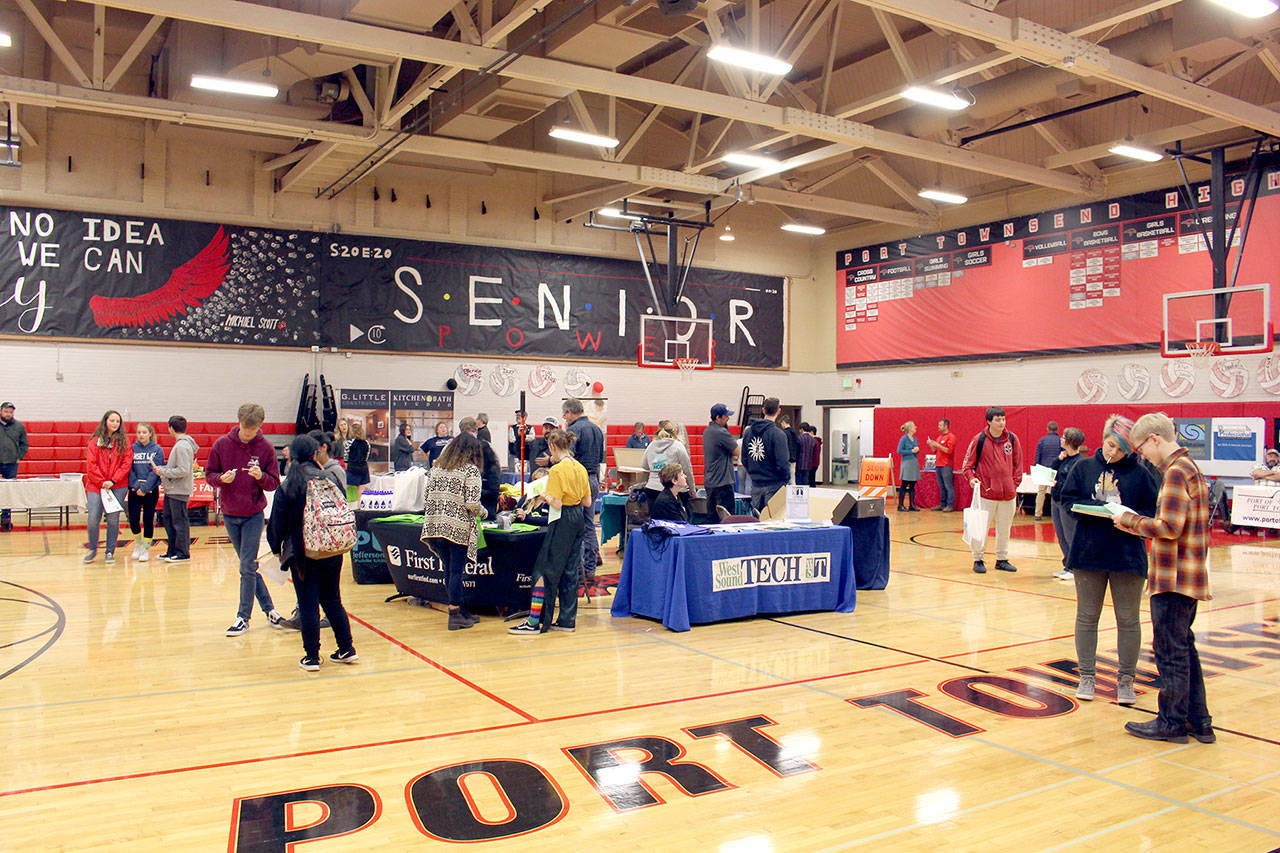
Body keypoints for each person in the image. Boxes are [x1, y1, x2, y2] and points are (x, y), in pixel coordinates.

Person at [1115, 412, 1214, 744]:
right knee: (1185, 649)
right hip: (1190, 575)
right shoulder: (1191, 468)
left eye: (1142, 448)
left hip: (1173, 577)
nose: (1142, 455)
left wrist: (1130, 520)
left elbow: (1169, 528)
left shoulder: (1174, 474)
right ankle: (1199, 721)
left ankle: (1171, 722)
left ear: (1155, 439)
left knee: (1170, 652)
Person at [1060, 416, 1159, 705]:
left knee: (1128, 619)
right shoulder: (1084, 466)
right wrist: (1098, 508)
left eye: (1117, 447)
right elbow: (1068, 501)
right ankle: (1087, 676)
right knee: (1087, 616)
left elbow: (1150, 512)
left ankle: (1126, 679)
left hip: (1127, 556)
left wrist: (1127, 517)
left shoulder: (1141, 474)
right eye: (1108, 444)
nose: (1110, 452)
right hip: (1088, 554)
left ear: (1130, 449)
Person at [266, 434, 358, 672]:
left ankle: (312, 657)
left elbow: (276, 524)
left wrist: (276, 549)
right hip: (332, 548)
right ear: (315, 453)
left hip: (304, 552)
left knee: (308, 603)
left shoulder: (289, 484)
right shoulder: (329, 477)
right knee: (332, 599)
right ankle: (347, 649)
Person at [206, 403, 283, 637]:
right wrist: (222, 479)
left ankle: (243, 617)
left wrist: (261, 478)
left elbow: (274, 482)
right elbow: (209, 474)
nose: (248, 433)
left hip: (253, 515)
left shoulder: (266, 448)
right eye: (245, 429)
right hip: (230, 513)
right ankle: (270, 610)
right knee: (248, 566)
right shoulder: (222, 444)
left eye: (253, 430)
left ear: (260, 426)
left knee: (246, 566)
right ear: (238, 423)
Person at [509, 429, 591, 636]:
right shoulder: (580, 467)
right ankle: (566, 620)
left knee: (544, 570)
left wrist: (543, 494)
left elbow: (557, 502)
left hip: (562, 518)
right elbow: (587, 502)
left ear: (553, 447)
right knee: (570, 571)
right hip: (578, 518)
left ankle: (536, 621)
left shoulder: (556, 470)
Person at [421, 432, 485, 631]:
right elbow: (472, 503)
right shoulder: (470, 471)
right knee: (457, 571)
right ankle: (455, 613)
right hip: (457, 526)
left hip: (434, 525)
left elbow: (426, 495)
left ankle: (460, 609)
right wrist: (485, 512)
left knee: (449, 570)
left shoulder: (437, 468)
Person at [960, 406, 1023, 574]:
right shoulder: (978, 440)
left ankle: (1002, 559)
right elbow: (967, 466)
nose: (1002, 422)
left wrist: (1013, 484)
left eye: (1003, 419)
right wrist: (972, 479)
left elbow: (1018, 464)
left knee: (1005, 528)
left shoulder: (1012, 439)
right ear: (989, 421)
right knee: (981, 528)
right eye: (998, 419)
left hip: (1008, 495)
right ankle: (978, 559)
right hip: (986, 494)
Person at [563, 397, 604, 584]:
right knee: (589, 524)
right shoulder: (597, 428)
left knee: (575, 525)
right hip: (594, 477)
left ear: (571, 412)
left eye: (565, 414)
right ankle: (590, 569)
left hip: (579, 478)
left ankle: (577, 572)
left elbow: (567, 458)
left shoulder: (573, 430)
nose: (564, 417)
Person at [83, 410, 131, 565]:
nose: (115, 424)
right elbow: (91, 465)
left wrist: (113, 481)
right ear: (105, 421)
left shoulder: (124, 442)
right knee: (93, 518)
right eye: (112, 421)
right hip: (96, 486)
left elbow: (126, 464)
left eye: (117, 421)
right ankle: (92, 549)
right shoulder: (94, 441)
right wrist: (102, 481)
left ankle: (110, 551)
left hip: (117, 486)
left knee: (113, 519)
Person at [152, 416, 196, 563]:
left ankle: (183, 553)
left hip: (179, 490)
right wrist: (164, 469)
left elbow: (183, 470)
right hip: (173, 490)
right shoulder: (180, 445)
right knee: (170, 521)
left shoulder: (182, 446)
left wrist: (163, 471)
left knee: (179, 522)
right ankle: (172, 551)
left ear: (170, 427)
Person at [1049, 427, 1087, 580]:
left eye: (1064, 437)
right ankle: (1067, 564)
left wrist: (1058, 484)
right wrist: (1058, 459)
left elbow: (1073, 484)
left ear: (1070, 441)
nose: (1061, 439)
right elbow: (1052, 469)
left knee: (1070, 535)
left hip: (1067, 504)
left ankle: (1074, 566)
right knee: (1061, 536)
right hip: (1056, 501)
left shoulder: (1078, 462)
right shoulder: (1064, 458)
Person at [742, 397, 790, 514]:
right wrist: (785, 480)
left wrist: (754, 474)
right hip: (774, 484)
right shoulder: (778, 434)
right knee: (773, 521)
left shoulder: (748, 432)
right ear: (779, 411)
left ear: (763, 410)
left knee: (758, 520)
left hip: (756, 484)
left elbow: (744, 459)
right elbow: (783, 463)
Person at [127, 422, 165, 562]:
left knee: (148, 519)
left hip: (150, 490)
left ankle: (146, 549)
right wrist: (137, 486)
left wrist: (145, 488)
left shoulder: (157, 449)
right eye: (139, 432)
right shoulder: (131, 449)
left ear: (150, 434)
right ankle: (138, 543)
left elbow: (155, 471)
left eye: (144, 432)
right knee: (133, 519)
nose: (141, 435)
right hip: (134, 490)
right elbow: (128, 469)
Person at [703, 403, 740, 521]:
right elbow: (737, 451)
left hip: (710, 481)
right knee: (727, 519)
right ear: (717, 417)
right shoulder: (721, 432)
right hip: (723, 482)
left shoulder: (707, 431)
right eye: (725, 416)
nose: (728, 418)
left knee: (713, 519)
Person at [459, 416, 500, 520]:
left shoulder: (490, 468)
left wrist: (471, 490)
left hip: (485, 512)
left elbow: (493, 493)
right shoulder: (469, 467)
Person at [0, 401, 28, 531]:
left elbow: (24, 445)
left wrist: (19, 457)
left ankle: (6, 519)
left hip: (11, 464)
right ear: (1, 411)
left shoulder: (19, 427)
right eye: (6, 411)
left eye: (10, 412)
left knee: (9, 493)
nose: (8, 414)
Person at [926, 418, 956, 512]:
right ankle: (942, 504)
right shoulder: (939, 438)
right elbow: (935, 451)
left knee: (948, 486)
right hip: (938, 465)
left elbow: (948, 451)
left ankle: (950, 505)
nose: (938, 427)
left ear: (946, 426)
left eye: (940, 425)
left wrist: (937, 445)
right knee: (941, 486)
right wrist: (931, 445)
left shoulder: (951, 437)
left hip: (946, 465)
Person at [1034, 421, 1062, 520]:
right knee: (1055, 491)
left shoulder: (1042, 440)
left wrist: (1036, 468)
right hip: (1056, 469)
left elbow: (1038, 456)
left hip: (1043, 468)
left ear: (1047, 429)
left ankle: (1038, 513)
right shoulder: (1060, 440)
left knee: (1041, 492)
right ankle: (1055, 514)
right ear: (1057, 429)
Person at [897, 421, 920, 512]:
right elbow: (899, 451)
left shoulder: (915, 438)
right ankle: (901, 505)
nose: (915, 428)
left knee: (912, 485)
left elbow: (916, 450)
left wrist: (917, 450)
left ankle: (912, 505)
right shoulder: (904, 439)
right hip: (906, 464)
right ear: (910, 428)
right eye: (914, 426)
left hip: (914, 464)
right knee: (904, 484)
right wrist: (911, 451)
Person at [346, 420, 371, 497]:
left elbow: (346, 458)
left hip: (352, 470)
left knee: (351, 497)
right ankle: (359, 507)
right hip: (364, 470)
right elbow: (367, 457)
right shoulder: (367, 443)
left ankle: (352, 508)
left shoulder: (349, 442)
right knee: (360, 496)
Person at [779, 413, 799, 484]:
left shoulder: (784, 433)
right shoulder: (795, 433)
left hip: (786, 459)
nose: (781, 426)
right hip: (794, 458)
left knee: (786, 478)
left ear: (784, 423)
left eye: (781, 424)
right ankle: (793, 493)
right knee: (792, 478)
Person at [796, 422, 817, 487]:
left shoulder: (799, 438)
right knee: (806, 481)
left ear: (802, 429)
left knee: (799, 481)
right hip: (809, 464)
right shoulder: (813, 440)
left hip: (799, 463)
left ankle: (798, 494)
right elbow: (814, 453)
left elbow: (796, 451)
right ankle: (805, 495)